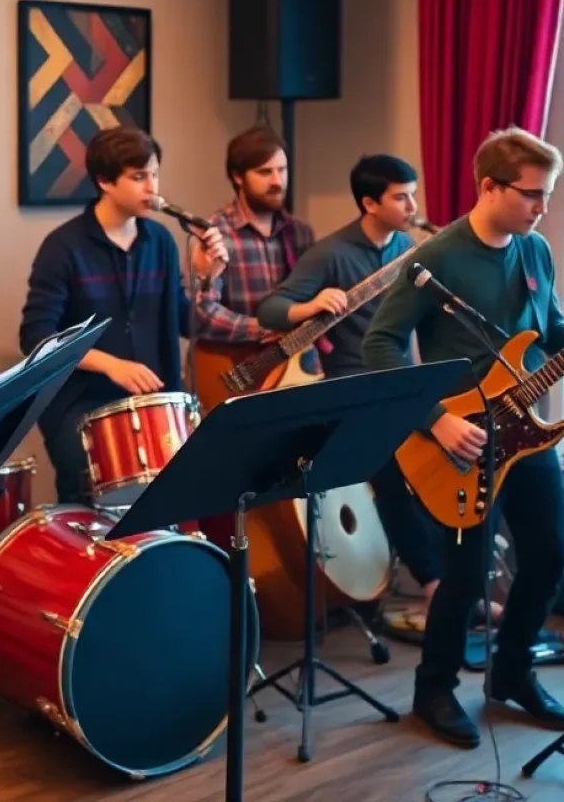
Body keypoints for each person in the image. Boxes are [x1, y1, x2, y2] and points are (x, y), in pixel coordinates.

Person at [362, 127, 564, 748]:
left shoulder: (534, 251)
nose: (543, 208)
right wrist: (435, 419)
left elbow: (550, 331)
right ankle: (433, 689)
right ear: (489, 187)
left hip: (528, 439)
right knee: (468, 572)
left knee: (551, 555)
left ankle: (511, 673)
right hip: (462, 442)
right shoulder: (437, 258)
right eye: (533, 195)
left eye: (548, 195)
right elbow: (378, 345)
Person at [256, 154, 444, 611]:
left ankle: (454, 581)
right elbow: (270, 309)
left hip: (400, 385)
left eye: (412, 194)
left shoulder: (408, 248)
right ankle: (433, 583)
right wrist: (310, 306)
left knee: (447, 457)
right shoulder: (330, 253)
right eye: (401, 197)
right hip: (352, 393)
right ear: (369, 202)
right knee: (394, 474)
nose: (411, 205)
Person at [19, 125, 226, 504]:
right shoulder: (63, 247)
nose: (153, 188)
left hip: (156, 400)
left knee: (166, 506)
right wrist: (110, 364)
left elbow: (185, 321)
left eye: (155, 174)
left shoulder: (161, 241)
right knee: (91, 508)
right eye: (139, 177)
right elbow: (36, 337)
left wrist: (205, 278)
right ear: (104, 182)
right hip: (81, 403)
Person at [194, 124, 317, 360]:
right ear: (238, 177)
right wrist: (262, 328)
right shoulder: (215, 233)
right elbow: (202, 315)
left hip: (293, 365)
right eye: (265, 172)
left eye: (282, 170)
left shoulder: (300, 233)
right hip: (236, 366)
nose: (277, 181)